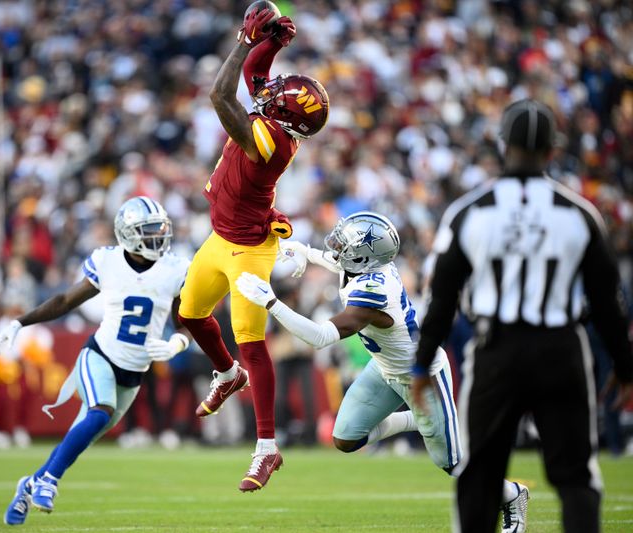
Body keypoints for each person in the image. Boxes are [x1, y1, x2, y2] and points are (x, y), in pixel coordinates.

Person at [411, 99, 633, 533]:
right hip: (563, 351)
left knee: (480, 477)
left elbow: (442, 297)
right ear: (552, 150)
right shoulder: (579, 214)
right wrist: (625, 367)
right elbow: (608, 302)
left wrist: (422, 361)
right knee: (576, 477)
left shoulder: (471, 211)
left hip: (497, 352)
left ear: (502, 146)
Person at [236, 211, 528, 532]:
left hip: (421, 376)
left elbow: (319, 338)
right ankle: (418, 420)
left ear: (363, 257)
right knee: (346, 439)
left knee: (454, 464)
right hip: (385, 368)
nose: (337, 245)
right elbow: (341, 264)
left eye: (345, 243)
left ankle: (512, 495)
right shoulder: (368, 266)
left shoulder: (372, 296)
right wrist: (305, 252)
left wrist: (271, 303)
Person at [176, 5, 330, 491]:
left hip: (247, 250)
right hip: (220, 237)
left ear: (285, 117)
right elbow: (254, 75)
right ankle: (226, 375)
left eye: (281, 95)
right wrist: (273, 43)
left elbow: (220, 93)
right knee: (190, 313)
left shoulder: (268, 141)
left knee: (253, 345)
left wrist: (246, 37)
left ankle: (267, 449)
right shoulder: (279, 123)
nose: (273, 91)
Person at [0, 196, 191, 525]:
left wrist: (178, 342)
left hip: (134, 374)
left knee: (82, 436)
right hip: (99, 355)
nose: (158, 237)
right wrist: (20, 322)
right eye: (148, 231)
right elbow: (64, 301)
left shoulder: (175, 269)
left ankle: (29, 483)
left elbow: (189, 320)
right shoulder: (107, 261)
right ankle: (48, 482)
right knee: (99, 413)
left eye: (160, 230)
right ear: (127, 234)